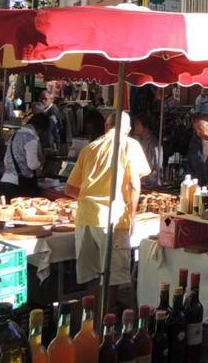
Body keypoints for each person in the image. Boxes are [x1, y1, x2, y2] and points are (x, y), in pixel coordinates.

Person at [65, 111, 151, 308]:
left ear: (106, 127)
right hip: (112, 218)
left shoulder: (90, 148)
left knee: (93, 276)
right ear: (128, 130)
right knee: (111, 279)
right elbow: (134, 185)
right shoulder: (129, 145)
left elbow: (70, 188)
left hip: (86, 218)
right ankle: (105, 325)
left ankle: (91, 323)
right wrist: (132, 215)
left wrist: (91, 199)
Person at [0, 114, 50, 200]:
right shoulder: (31, 138)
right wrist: (42, 160)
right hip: (20, 185)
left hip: (6, 181)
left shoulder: (14, 135)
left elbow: (6, 160)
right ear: (41, 129)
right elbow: (32, 165)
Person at [132, 114, 162, 188]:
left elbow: (157, 167)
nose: (135, 127)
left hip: (150, 184)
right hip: (140, 181)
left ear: (145, 126)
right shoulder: (139, 140)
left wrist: (146, 180)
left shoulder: (153, 143)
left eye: (137, 125)